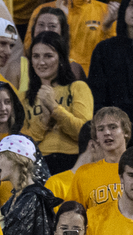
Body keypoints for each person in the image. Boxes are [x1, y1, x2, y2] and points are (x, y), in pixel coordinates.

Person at [24, 33, 94, 176]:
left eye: (48, 56)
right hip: (39, 163)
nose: (41, 62)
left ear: (61, 58)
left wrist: (55, 109)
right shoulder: (24, 97)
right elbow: (24, 144)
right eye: (36, 56)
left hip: (74, 161)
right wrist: (43, 121)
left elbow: (84, 134)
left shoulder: (78, 88)